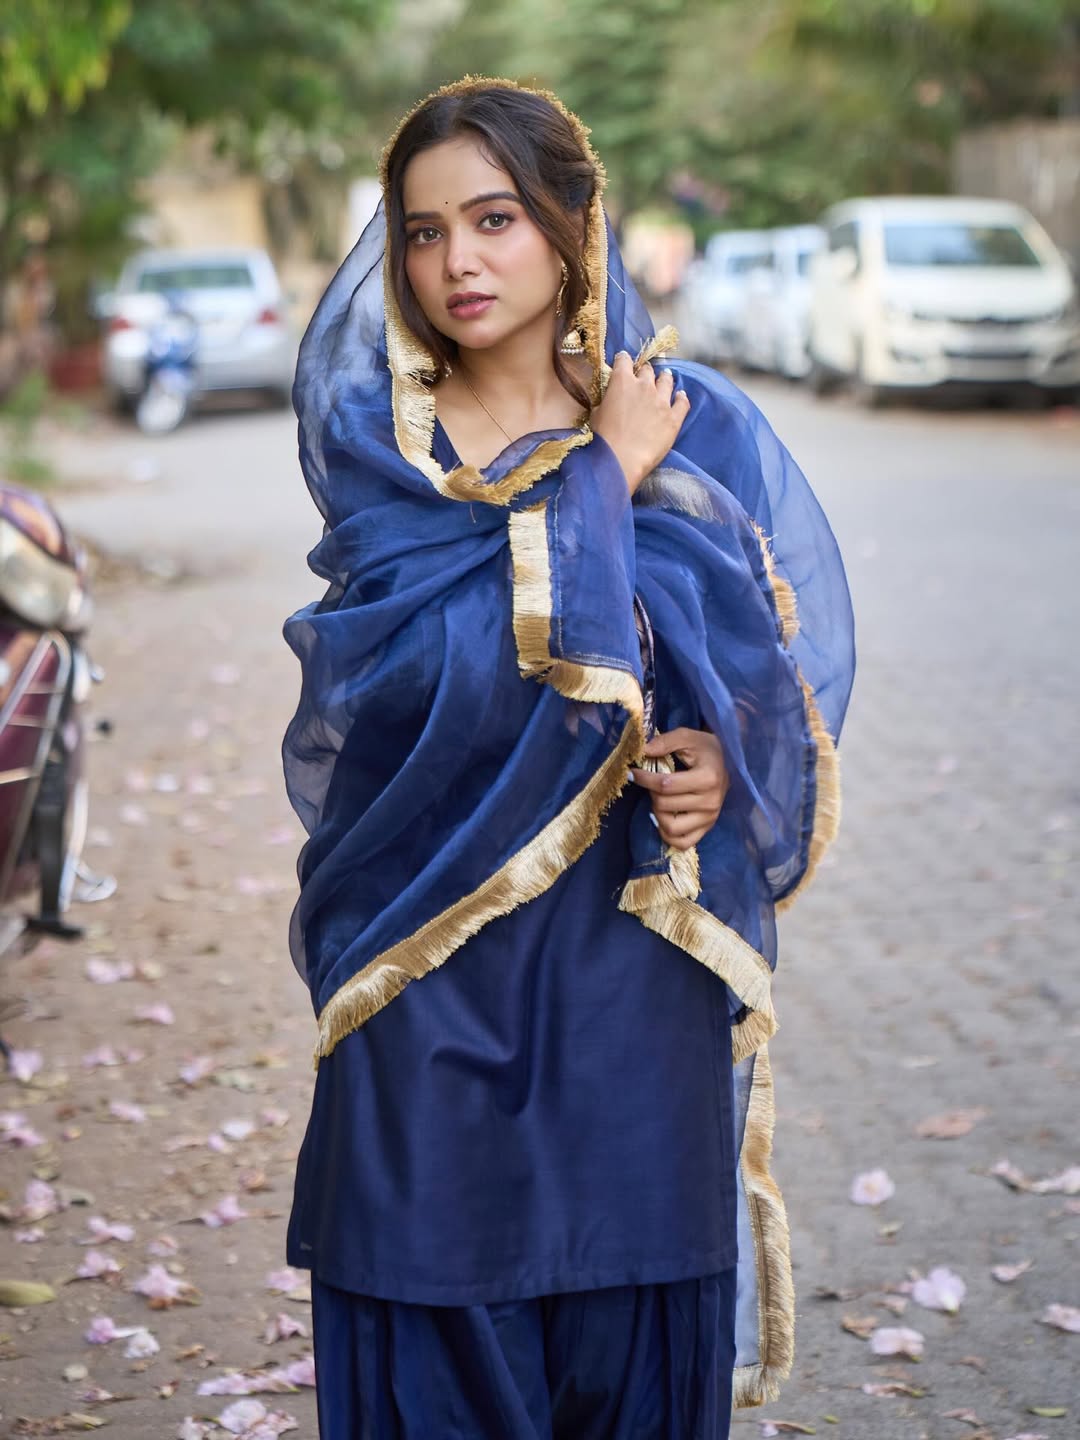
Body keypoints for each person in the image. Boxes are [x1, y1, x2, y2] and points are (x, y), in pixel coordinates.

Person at [282, 77, 855, 1440]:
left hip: (623, 981)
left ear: (572, 225)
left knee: (622, 1335)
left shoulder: (682, 423)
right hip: (430, 964)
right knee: (434, 1297)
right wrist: (595, 475)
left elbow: (746, 677)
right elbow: (427, 684)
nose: (457, 262)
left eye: (494, 219)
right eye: (422, 233)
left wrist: (717, 768)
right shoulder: (388, 457)